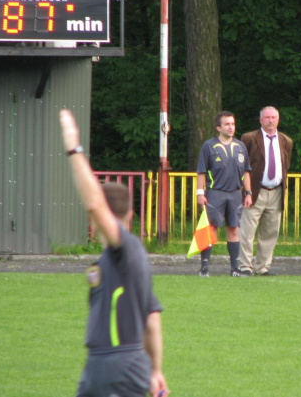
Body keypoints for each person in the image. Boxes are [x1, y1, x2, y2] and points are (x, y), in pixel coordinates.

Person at [59, 109, 169, 397]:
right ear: (131, 213)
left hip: (117, 365)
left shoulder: (127, 249)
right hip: (108, 365)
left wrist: (73, 148)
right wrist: (155, 370)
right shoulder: (124, 256)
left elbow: (95, 204)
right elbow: (153, 319)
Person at [196, 111, 252, 277]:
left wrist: (248, 193)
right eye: (227, 124)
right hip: (215, 193)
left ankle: (235, 268)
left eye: (233, 124)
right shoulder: (209, 146)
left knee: (234, 229)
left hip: (235, 194)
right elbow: (201, 172)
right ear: (218, 127)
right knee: (210, 229)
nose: (231, 127)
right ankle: (204, 267)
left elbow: (247, 171)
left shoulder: (240, 146)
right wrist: (200, 193)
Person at [238, 106, 293, 276]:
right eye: (267, 117)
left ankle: (262, 267)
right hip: (255, 190)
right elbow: (242, 166)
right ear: (260, 120)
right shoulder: (249, 138)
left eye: (273, 117)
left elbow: (286, 165)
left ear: (278, 119)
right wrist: (246, 191)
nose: (270, 121)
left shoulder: (286, 141)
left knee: (270, 232)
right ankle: (245, 266)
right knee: (247, 230)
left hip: (276, 191)